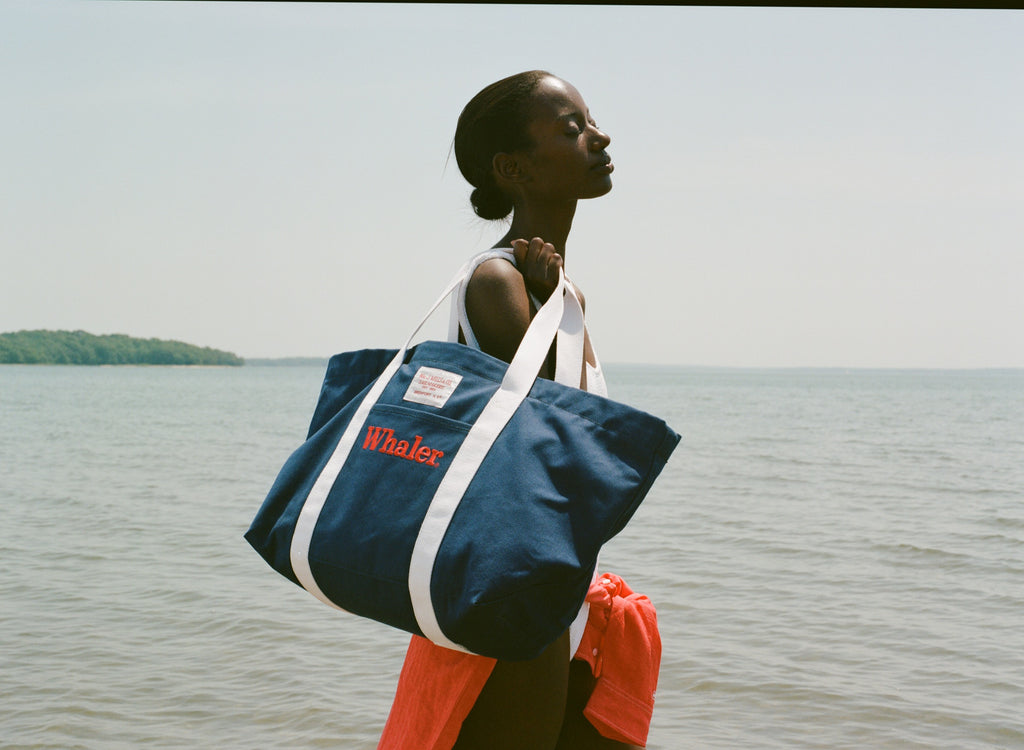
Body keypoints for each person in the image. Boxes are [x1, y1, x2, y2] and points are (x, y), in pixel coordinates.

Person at [378, 71, 658, 750]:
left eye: (589, 121)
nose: (599, 136)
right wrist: (548, 296)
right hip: (506, 597)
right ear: (513, 168)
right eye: (570, 128)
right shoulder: (498, 282)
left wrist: (559, 298)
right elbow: (561, 442)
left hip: (541, 590)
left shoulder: (556, 294)